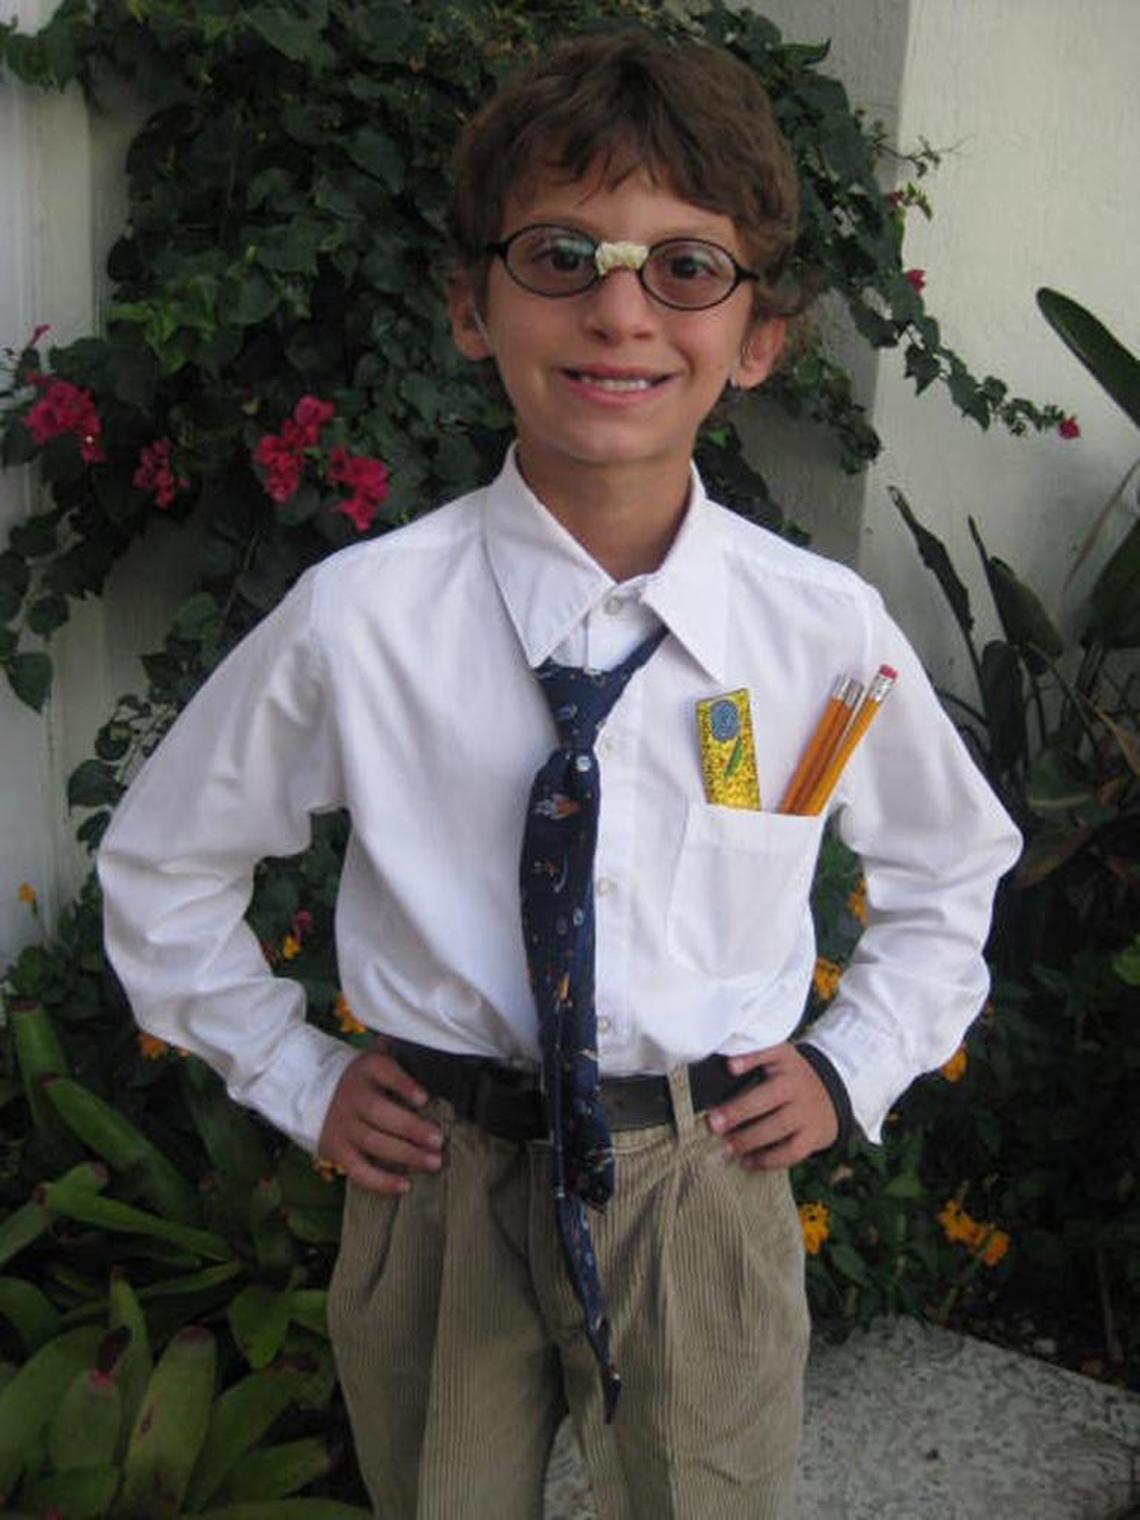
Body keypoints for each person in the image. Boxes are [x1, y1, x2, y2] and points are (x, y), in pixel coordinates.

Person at [98, 31, 1020, 1520]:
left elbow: (951, 865)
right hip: (439, 1190)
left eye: (686, 268)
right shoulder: (363, 621)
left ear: (761, 334)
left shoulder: (814, 634)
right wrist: (297, 1072)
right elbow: (161, 865)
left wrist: (856, 1063)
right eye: (561, 254)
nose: (619, 312)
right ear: (471, 305)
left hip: (701, 1185)